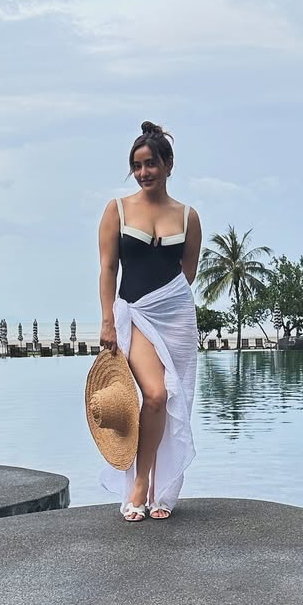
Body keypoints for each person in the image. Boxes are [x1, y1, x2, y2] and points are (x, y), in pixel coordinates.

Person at [97, 121, 202, 521]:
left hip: (175, 314)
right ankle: (140, 483)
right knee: (155, 395)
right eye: (137, 166)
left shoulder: (188, 216)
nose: (143, 173)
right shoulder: (118, 209)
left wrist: (168, 304)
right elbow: (108, 268)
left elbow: (187, 273)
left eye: (151, 164)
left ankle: (162, 488)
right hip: (135, 312)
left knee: (174, 399)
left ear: (168, 165)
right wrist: (108, 320)